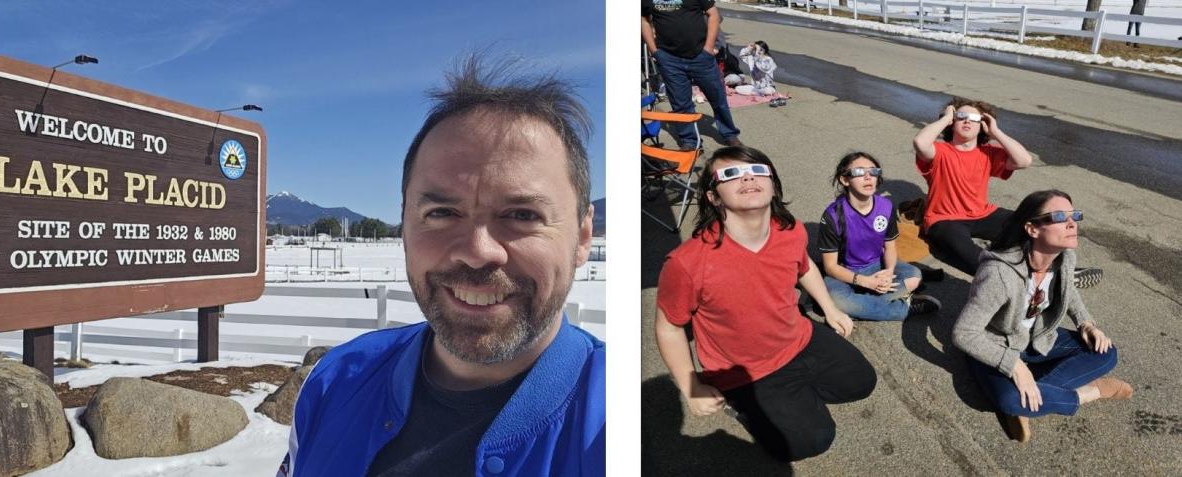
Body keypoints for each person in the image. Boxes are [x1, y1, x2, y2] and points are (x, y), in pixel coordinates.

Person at [279, 56, 604, 477]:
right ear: (404, 227)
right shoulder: (335, 381)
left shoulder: (612, 422)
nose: (478, 250)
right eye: (442, 212)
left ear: (581, 237)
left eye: (522, 214)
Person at [655, 145, 876, 462]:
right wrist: (692, 387)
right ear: (713, 197)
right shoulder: (686, 263)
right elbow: (668, 328)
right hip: (744, 371)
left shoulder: (790, 230)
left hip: (799, 338)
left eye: (758, 170)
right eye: (730, 174)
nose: (747, 177)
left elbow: (805, 268)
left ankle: (790, 404)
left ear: (773, 185)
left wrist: (830, 308)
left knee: (862, 383)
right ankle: (751, 407)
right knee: (811, 441)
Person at [953, 190, 1132, 443]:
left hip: (1035, 336)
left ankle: (1033, 396)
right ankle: (1090, 392)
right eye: (1059, 216)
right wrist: (1014, 366)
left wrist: (1086, 323)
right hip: (995, 344)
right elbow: (964, 333)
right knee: (1010, 399)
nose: (1072, 223)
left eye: (1074, 216)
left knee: (1106, 352)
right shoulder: (999, 273)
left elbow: (1068, 291)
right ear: (1032, 229)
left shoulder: (1065, 257)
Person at [911, 97, 1102, 288]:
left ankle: (1058, 270)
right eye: (961, 116)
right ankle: (1026, 279)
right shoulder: (940, 151)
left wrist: (996, 132)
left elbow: (1024, 160)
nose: (967, 121)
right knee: (971, 254)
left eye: (973, 118)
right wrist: (945, 118)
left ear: (982, 126)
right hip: (944, 219)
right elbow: (920, 142)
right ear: (953, 122)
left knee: (1031, 226)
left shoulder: (987, 153)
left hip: (982, 213)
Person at [819, 152, 941, 321]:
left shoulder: (885, 206)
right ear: (844, 180)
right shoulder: (832, 216)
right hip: (844, 272)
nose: (868, 177)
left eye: (873, 171)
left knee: (914, 277)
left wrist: (889, 272)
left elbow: (890, 246)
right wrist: (865, 282)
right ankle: (903, 309)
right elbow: (830, 267)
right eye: (859, 172)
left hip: (877, 265)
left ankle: (860, 308)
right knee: (836, 300)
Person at [642, 0, 743, 148]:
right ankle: (690, 141)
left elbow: (713, 14)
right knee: (680, 104)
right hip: (669, 59)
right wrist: (655, 51)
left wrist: (708, 48)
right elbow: (643, 19)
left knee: (717, 98)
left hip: (701, 56)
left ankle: (730, 134)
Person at [735, 40, 787, 107]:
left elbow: (763, 68)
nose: (758, 51)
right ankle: (757, 93)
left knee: (768, 91)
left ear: (765, 51)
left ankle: (759, 93)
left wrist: (757, 55)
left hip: (768, 87)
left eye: (761, 50)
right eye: (756, 49)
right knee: (737, 89)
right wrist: (749, 48)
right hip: (756, 88)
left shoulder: (768, 60)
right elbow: (741, 55)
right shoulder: (752, 59)